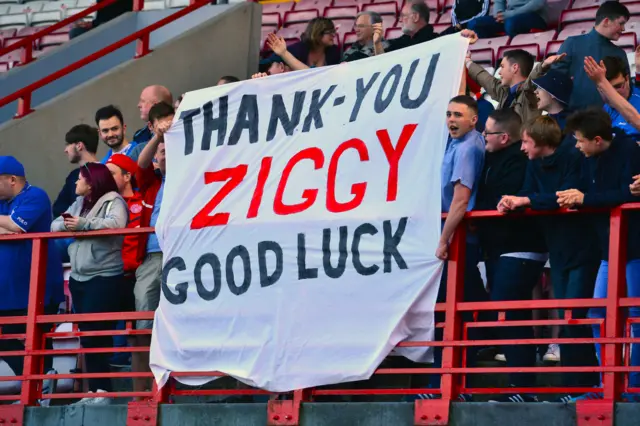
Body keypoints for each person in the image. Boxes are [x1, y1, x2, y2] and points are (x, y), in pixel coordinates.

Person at [498, 116, 601, 397]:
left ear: (542, 142)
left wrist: (527, 201)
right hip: (557, 246)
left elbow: (563, 196)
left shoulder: (572, 157)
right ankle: (576, 385)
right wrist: (512, 201)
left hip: (582, 246)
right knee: (569, 315)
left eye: (527, 142)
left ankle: (583, 385)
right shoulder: (534, 163)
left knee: (574, 317)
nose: (522, 148)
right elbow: (528, 193)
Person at [556, 110, 640, 401]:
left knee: (635, 315)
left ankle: (633, 386)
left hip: (635, 246)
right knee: (597, 312)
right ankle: (608, 383)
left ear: (598, 140)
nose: (577, 146)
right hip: (608, 247)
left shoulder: (629, 150)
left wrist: (585, 198)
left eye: (580, 141)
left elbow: (628, 195)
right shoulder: (587, 158)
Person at [476, 110, 547, 402]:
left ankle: (523, 388)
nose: (483, 138)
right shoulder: (490, 160)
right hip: (498, 248)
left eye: (487, 134)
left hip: (521, 246)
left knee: (509, 312)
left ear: (504, 137)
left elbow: (501, 197)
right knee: (503, 312)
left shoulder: (519, 163)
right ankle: (517, 386)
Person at [51, 162, 129, 404]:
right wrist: (70, 224)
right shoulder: (79, 204)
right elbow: (55, 225)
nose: (76, 182)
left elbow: (117, 224)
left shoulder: (113, 199)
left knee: (97, 335)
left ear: (91, 181)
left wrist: (84, 225)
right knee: (87, 336)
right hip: (79, 278)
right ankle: (96, 391)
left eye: (80, 179)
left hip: (104, 277)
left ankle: (103, 392)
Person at [0, 156, 64, 380]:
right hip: (7, 293)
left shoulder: (35, 195)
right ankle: (32, 383)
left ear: (12, 180)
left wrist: (10, 227)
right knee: (7, 341)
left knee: (38, 339)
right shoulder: (2, 202)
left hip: (38, 287)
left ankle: (44, 385)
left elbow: (16, 226)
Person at [132, 101, 173, 392]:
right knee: (144, 320)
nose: (164, 153)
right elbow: (141, 163)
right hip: (152, 255)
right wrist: (158, 137)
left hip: (182, 253)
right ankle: (144, 390)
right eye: (161, 152)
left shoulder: (191, 174)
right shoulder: (153, 180)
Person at [553, 1, 630, 110]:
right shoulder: (572, 44)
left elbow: (627, 92)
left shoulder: (620, 53)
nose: (623, 29)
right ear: (606, 21)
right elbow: (554, 80)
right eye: (621, 23)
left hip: (608, 120)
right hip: (573, 119)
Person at [105, 154, 142, 368]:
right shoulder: (104, 205)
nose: (107, 178)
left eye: (112, 173)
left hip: (137, 276)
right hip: (111, 276)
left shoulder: (143, 202)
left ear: (127, 176)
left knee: (138, 336)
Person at [466, 48, 539, 124]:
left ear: (514, 68)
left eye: (502, 66)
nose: (499, 72)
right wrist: (468, 61)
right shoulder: (505, 91)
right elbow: (486, 80)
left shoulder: (530, 96)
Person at [53, 125, 100, 218]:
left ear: (79, 146)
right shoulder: (73, 176)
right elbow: (57, 209)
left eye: (68, 144)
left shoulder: (107, 173)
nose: (65, 150)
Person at [263, 18, 341, 71]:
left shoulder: (334, 52)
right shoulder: (298, 49)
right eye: (330, 32)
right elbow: (266, 63)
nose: (334, 35)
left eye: (334, 31)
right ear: (318, 33)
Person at [600, 56, 640, 140]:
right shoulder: (604, 109)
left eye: (617, 86)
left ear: (627, 79)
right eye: (605, 89)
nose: (613, 94)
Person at [128, 85, 173, 159]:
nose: (138, 105)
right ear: (150, 126)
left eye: (142, 101)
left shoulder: (182, 131)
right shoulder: (140, 136)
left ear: (156, 105)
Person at [467, 0, 547, 38]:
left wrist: (510, 14)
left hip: (535, 16)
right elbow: (499, 2)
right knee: (474, 24)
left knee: (510, 24)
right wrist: (499, 14)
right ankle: (490, 58)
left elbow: (537, 4)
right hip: (509, 17)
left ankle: (516, 57)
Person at [69, 0, 133, 39]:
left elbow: (109, 17)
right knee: (74, 30)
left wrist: (91, 24)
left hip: (115, 27)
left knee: (75, 32)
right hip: (109, 25)